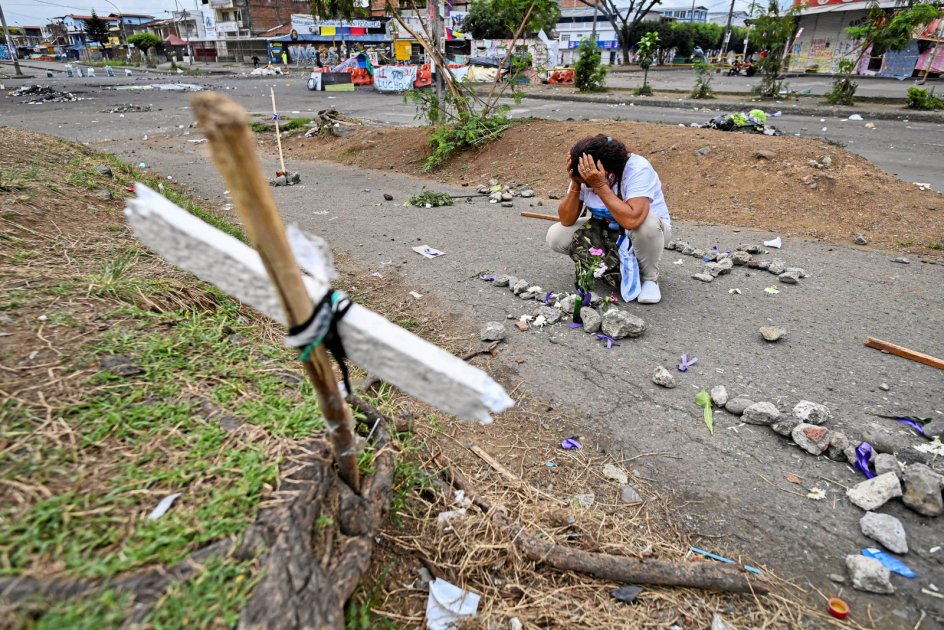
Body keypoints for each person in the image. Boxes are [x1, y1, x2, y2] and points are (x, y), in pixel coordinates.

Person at [546, 135, 672, 305]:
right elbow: (566, 219)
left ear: (607, 170)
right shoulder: (586, 171)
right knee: (556, 235)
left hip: (650, 233)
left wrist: (599, 186)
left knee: (646, 224)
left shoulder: (637, 168)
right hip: (606, 231)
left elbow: (633, 220)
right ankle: (611, 268)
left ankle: (650, 278)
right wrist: (576, 183)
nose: (587, 183)